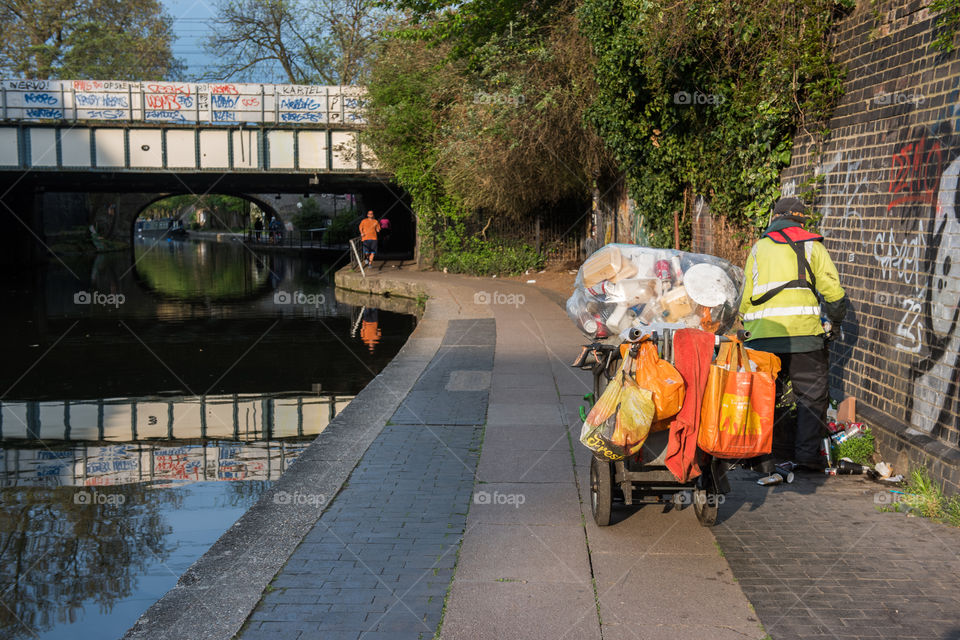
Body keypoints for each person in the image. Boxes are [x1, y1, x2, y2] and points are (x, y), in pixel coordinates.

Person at [739, 196, 848, 472]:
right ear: (801, 220)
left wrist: (746, 328)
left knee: (763, 395)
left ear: (775, 219)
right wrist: (834, 323)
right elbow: (834, 295)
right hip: (805, 337)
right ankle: (807, 458)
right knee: (811, 397)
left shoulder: (758, 249)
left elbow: (743, 299)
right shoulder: (813, 246)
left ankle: (760, 458)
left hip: (762, 337)